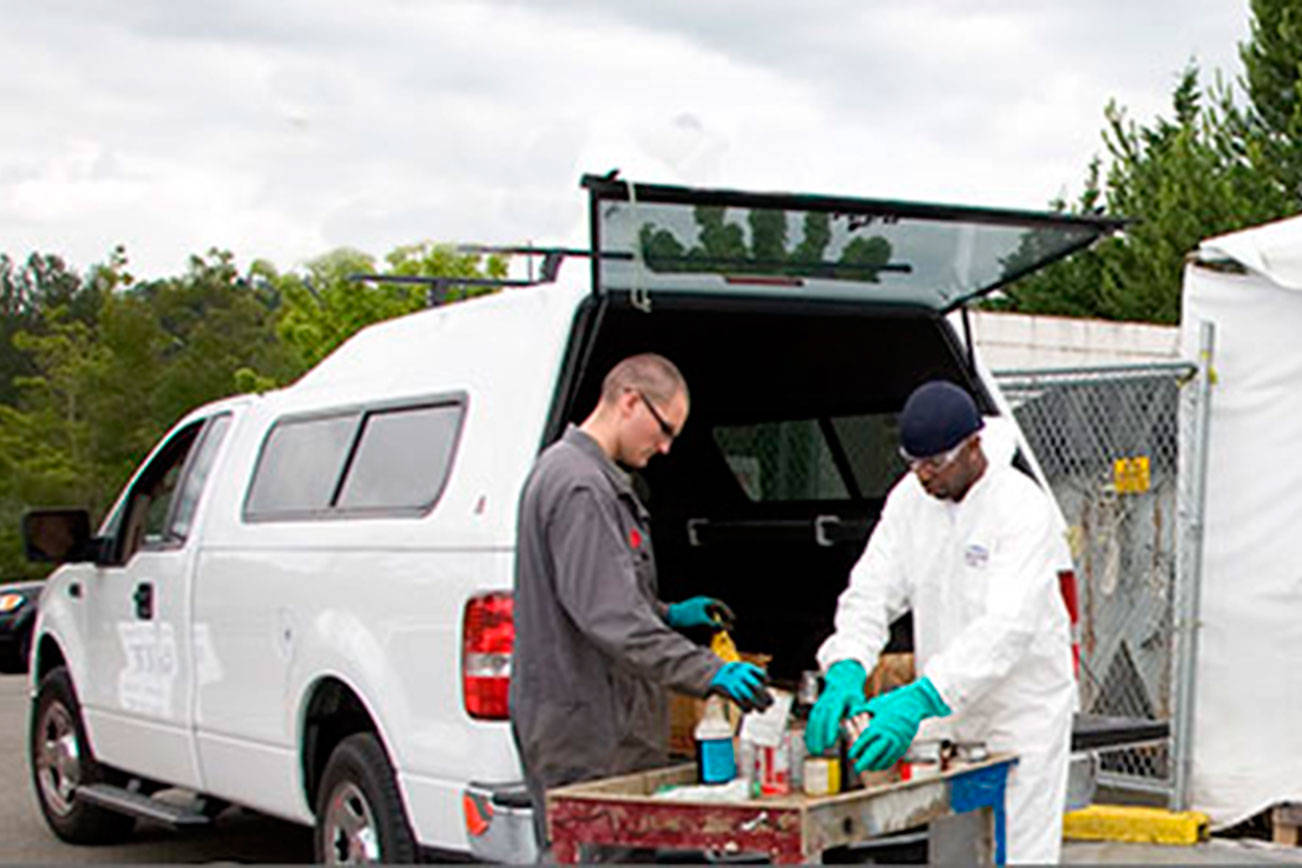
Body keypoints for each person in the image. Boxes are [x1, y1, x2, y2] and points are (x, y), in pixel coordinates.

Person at [510, 352, 772, 852]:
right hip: (586, 730)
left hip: (598, 721)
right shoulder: (581, 487)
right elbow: (610, 620)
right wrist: (707, 672)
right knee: (594, 855)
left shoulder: (589, 479)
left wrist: (669, 614)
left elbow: (599, 597)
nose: (667, 447)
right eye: (664, 429)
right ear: (630, 401)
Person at [805, 380, 1075, 864]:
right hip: (948, 712)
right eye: (913, 462)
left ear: (973, 446)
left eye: (935, 463)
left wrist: (920, 697)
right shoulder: (911, 500)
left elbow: (1007, 628)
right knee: (952, 854)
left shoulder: (1021, 508)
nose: (923, 476)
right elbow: (872, 589)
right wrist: (846, 663)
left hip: (1021, 710)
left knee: (1019, 854)